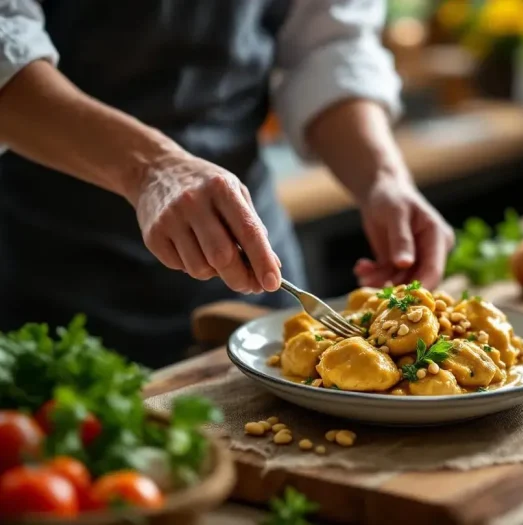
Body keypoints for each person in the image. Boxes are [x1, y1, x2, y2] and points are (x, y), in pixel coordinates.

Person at [0, 1, 454, 368]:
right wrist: (151, 168)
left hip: (249, 259)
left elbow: (329, 46)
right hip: (48, 266)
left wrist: (383, 180)